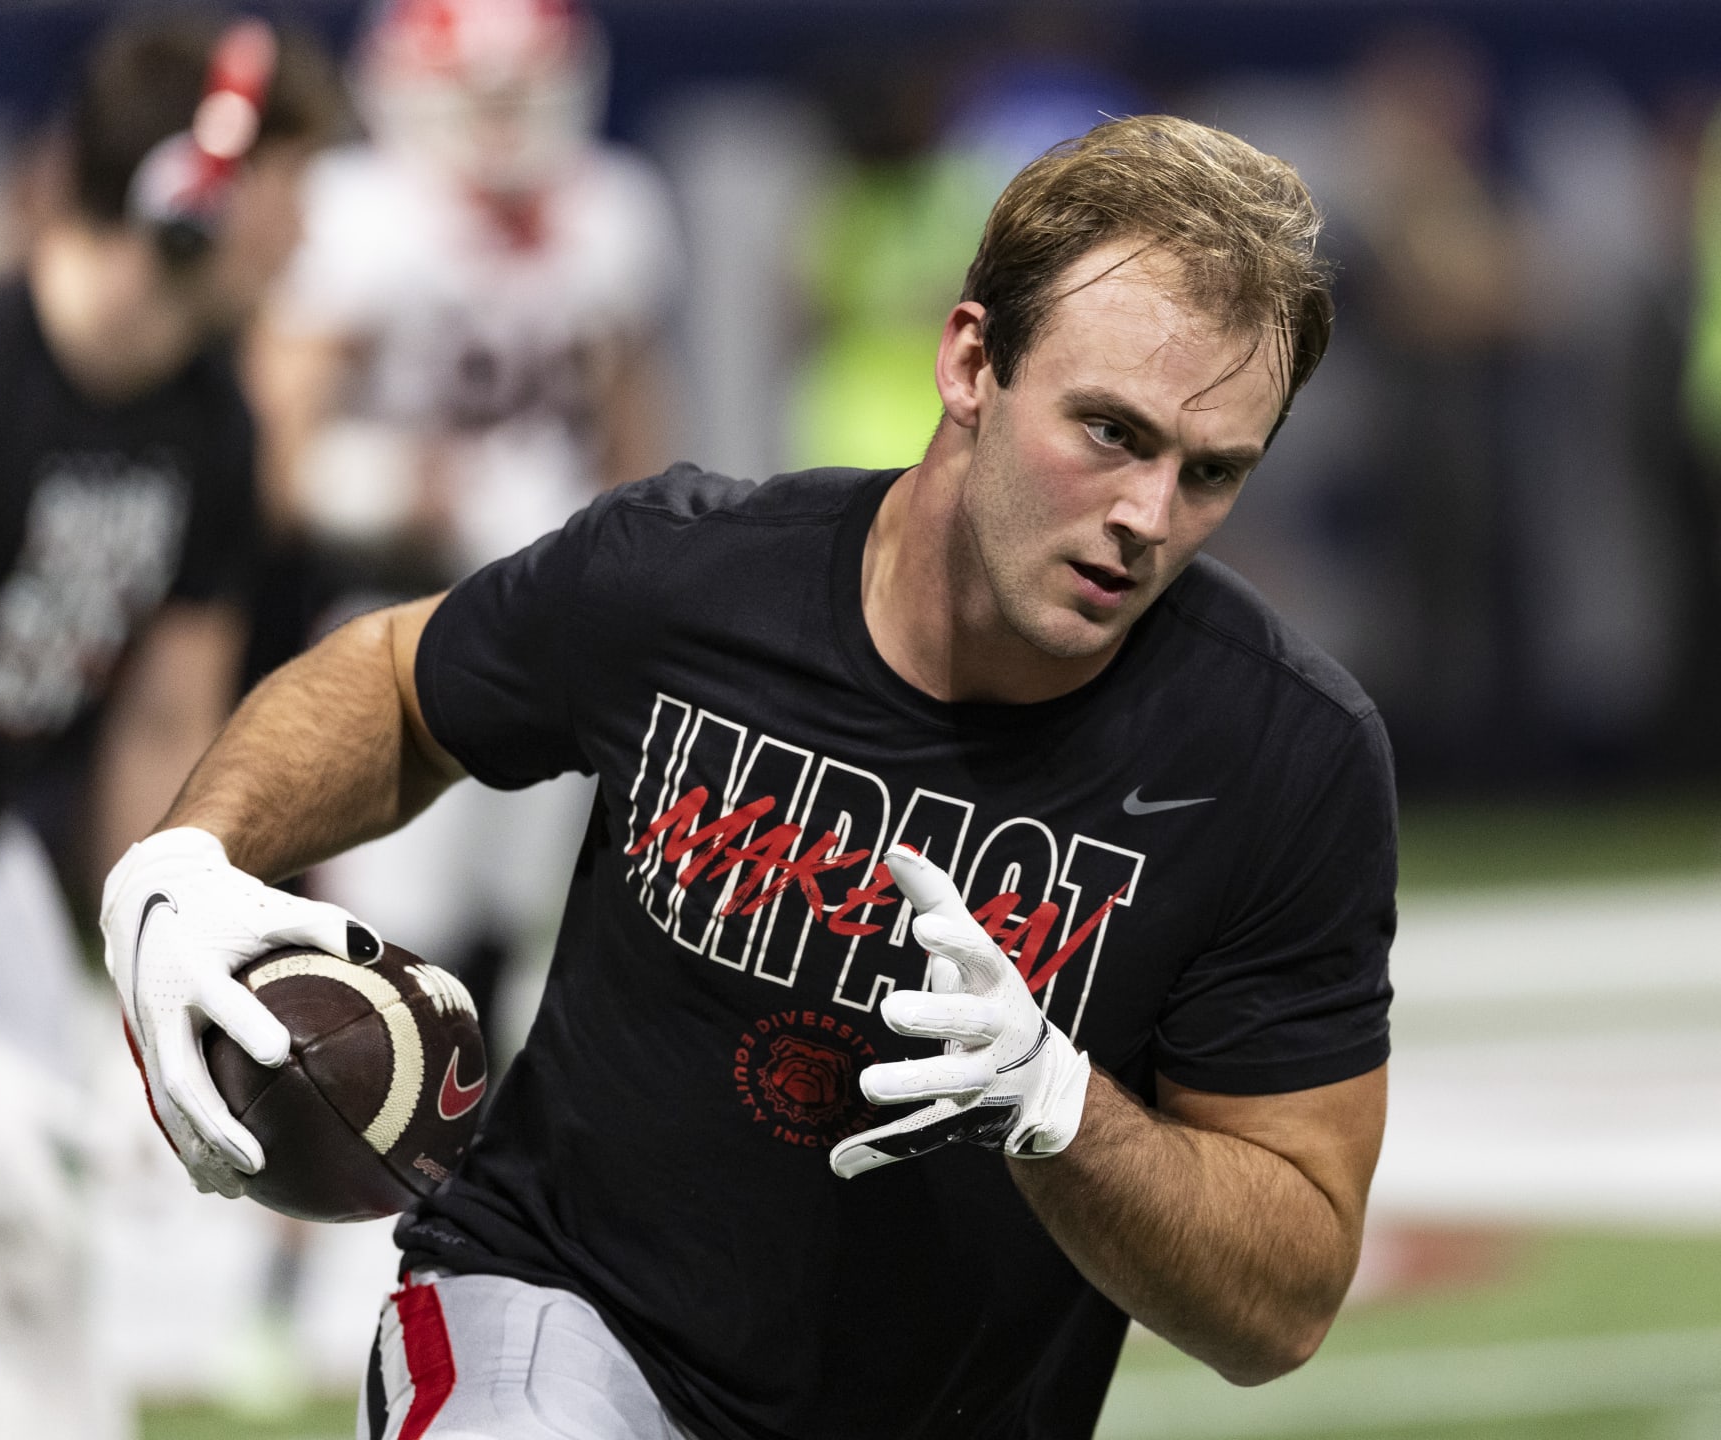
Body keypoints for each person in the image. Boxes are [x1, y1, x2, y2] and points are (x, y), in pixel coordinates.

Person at [102, 114, 1395, 1440]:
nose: (1149, 516)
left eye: (1213, 472)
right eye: (1111, 432)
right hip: (567, 1308)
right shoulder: (691, 580)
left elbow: (1283, 1301)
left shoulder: (1282, 757)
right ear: (970, 362)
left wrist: (1062, 1111)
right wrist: (187, 857)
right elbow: (393, 682)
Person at [0, 15, 342, 1438]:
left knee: (43, 1205)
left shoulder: (210, 423)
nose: (303, 233)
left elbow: (164, 727)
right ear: (192, 189)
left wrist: (154, 955)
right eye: (286, 190)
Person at [246, 0, 682, 1052]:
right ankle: (340, 1199)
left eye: (520, 93)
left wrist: (634, 562)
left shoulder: (611, 209)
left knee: (535, 932)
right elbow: (275, 458)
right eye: (474, 95)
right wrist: (402, 487)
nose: (500, 123)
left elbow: (636, 436)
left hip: (557, 622)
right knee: (387, 933)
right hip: (403, 615)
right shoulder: (363, 213)